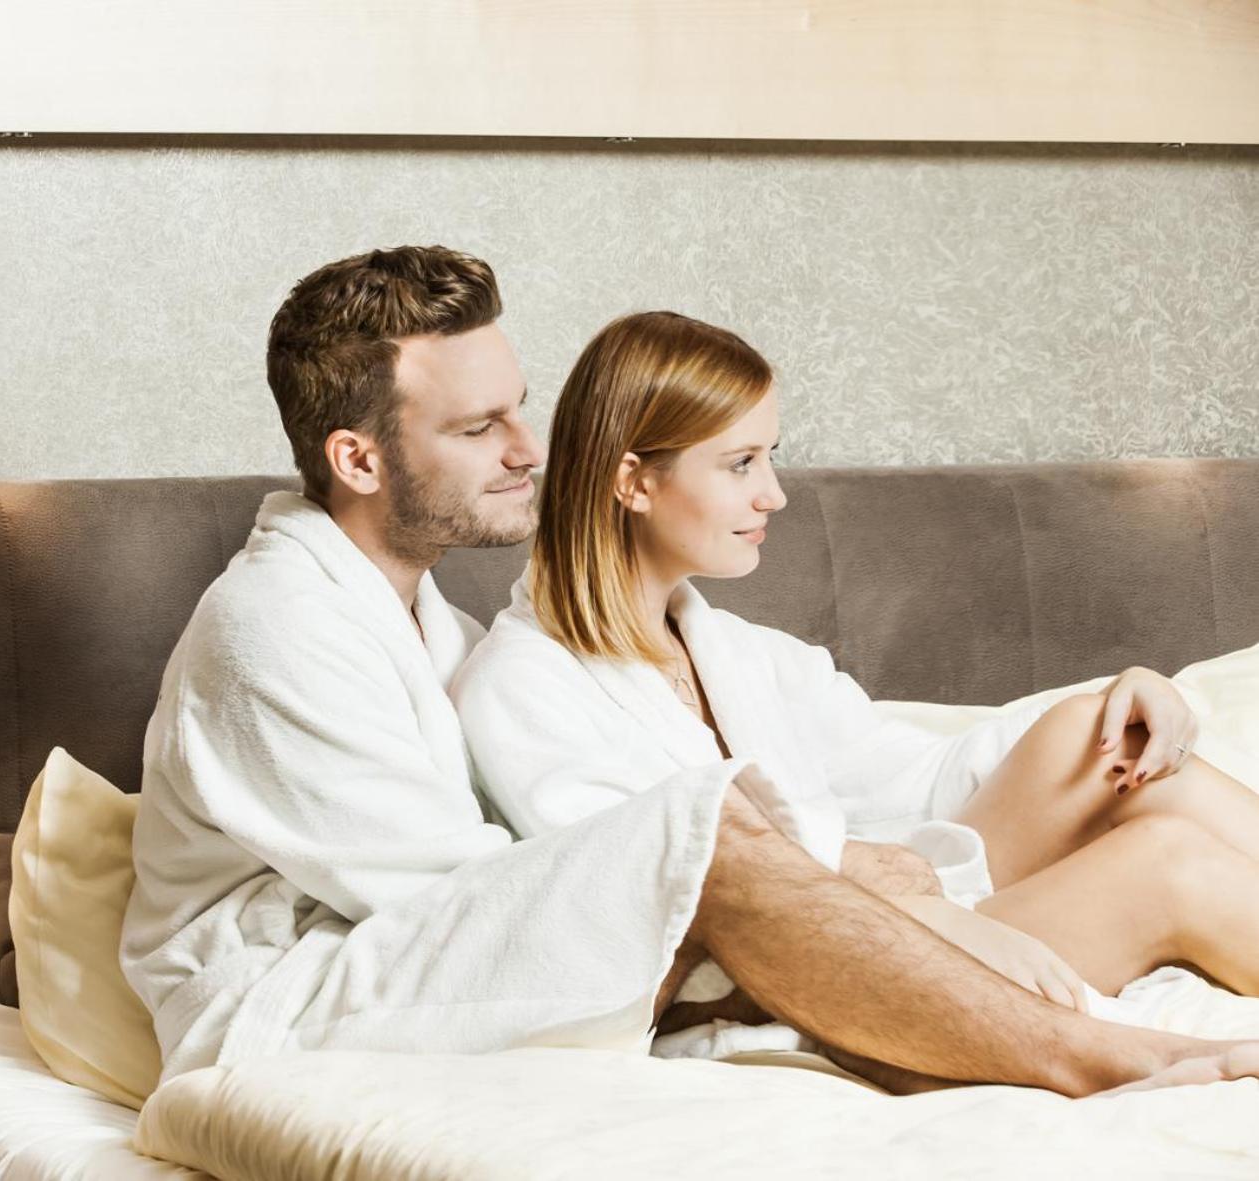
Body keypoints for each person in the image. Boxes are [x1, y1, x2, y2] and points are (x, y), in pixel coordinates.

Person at [121, 246, 1259, 1096]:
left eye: (520, 408)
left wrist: (863, 871)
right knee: (700, 831)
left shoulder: (424, 625)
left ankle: (982, 1015)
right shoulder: (278, 626)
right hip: (293, 1008)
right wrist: (845, 890)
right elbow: (457, 894)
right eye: (477, 428)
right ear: (358, 458)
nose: (528, 448)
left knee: (1058, 750)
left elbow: (888, 767)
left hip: (430, 961)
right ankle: (1081, 1052)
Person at [451, 308, 1259, 1070]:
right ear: (633, 480)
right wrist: (918, 916)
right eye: (740, 463)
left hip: (898, 917)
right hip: (819, 977)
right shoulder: (522, 686)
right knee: (1170, 861)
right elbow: (659, 911)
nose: (774, 494)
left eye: (769, 457)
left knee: (1103, 733)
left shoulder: (747, 656)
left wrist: (1126, 690)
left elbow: (918, 775)